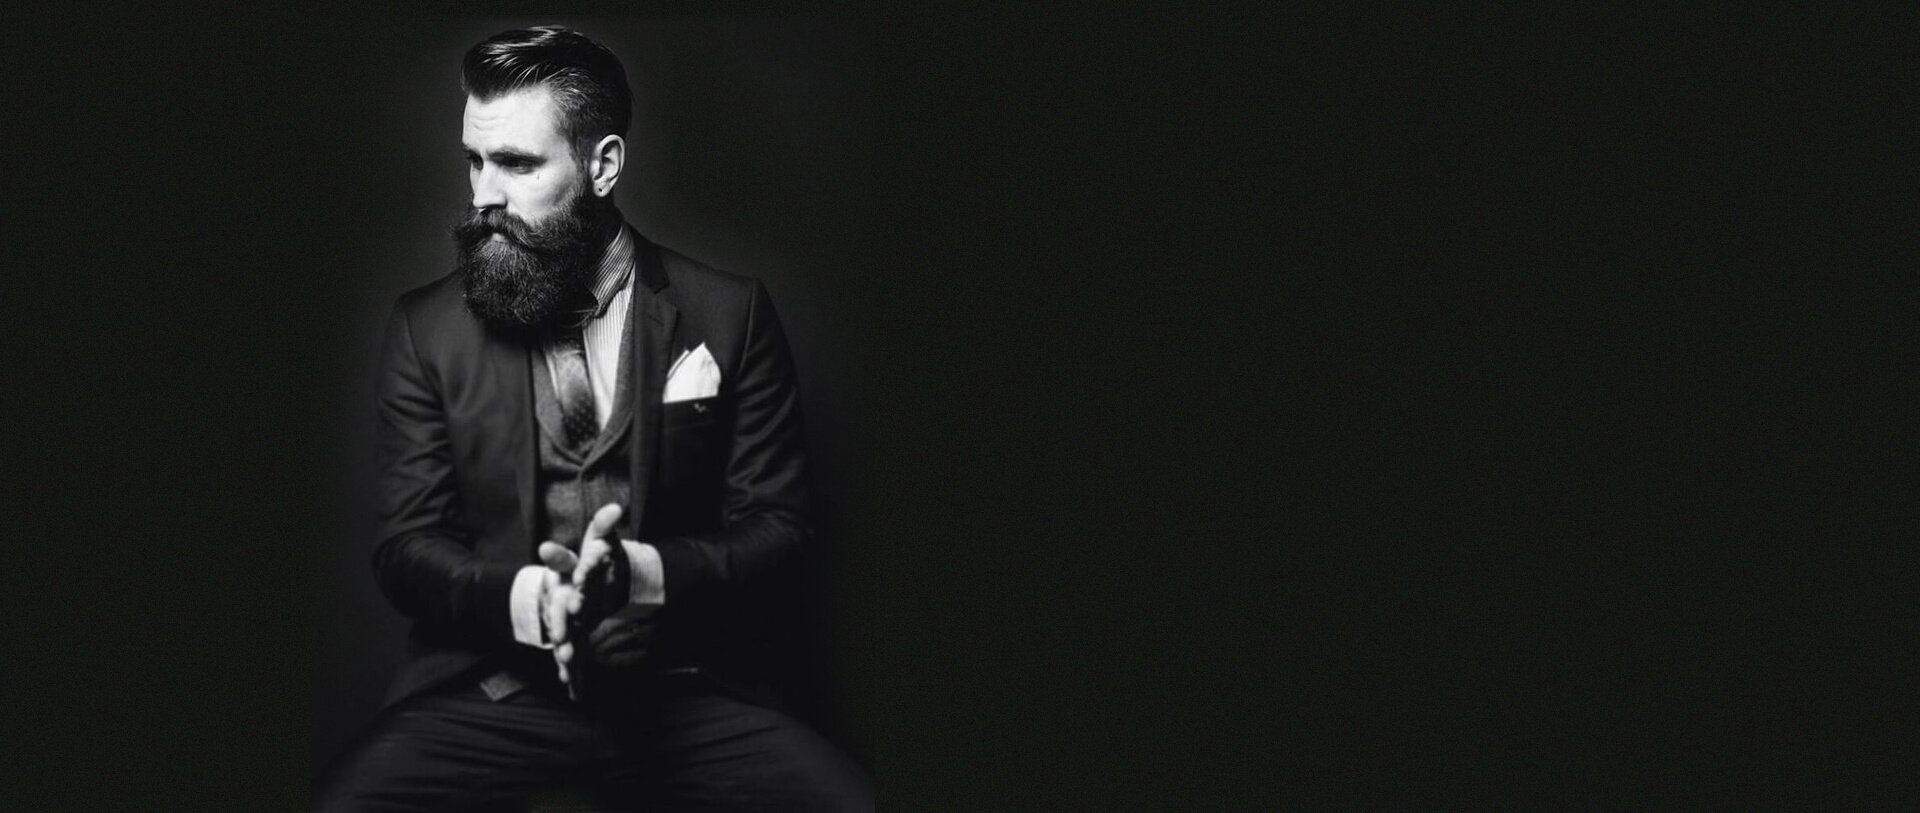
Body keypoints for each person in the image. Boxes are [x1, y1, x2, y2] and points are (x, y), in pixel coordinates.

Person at [315, 25, 871, 812]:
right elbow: (408, 546)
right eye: (475, 160)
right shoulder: (424, 328)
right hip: (493, 695)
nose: (483, 195)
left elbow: (781, 527)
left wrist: (645, 577)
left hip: (684, 692)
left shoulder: (730, 313)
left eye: (516, 163)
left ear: (604, 165)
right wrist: (529, 600)